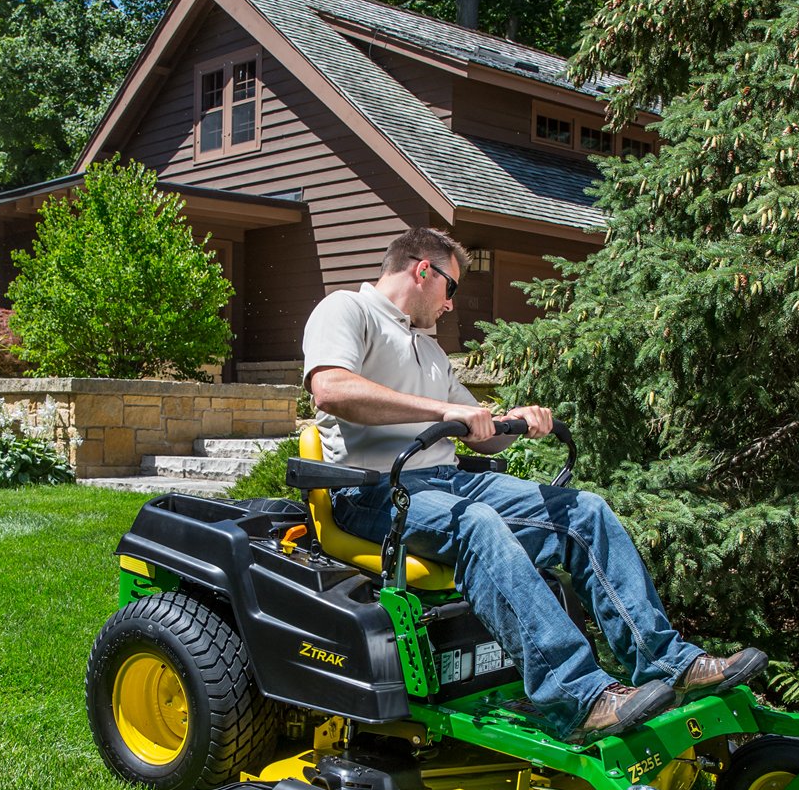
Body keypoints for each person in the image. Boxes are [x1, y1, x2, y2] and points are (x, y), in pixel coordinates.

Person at [302, 227, 766, 743]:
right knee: (478, 524)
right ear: (423, 270)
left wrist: (514, 421)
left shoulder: (428, 350)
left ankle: (670, 664)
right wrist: (446, 409)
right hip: (373, 491)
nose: (452, 305)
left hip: (445, 483)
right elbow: (330, 389)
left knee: (584, 511)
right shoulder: (346, 310)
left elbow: (477, 433)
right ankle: (578, 696)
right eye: (452, 288)